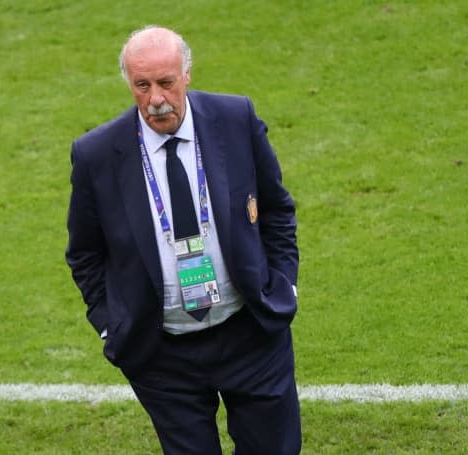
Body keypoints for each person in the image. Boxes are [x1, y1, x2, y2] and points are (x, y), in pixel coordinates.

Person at [65, 25, 301, 454]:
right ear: (129, 84)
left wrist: (285, 283)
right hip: (162, 354)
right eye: (142, 85)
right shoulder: (95, 154)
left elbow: (277, 209)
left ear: (187, 75)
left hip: (250, 333)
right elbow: (84, 252)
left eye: (166, 83)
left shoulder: (236, 119)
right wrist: (109, 326)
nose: (156, 99)